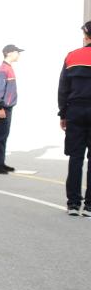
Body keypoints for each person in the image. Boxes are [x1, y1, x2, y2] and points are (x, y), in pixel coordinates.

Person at [58, 22, 91, 215]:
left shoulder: (72, 56)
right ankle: (89, 206)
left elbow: (63, 88)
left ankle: (73, 204)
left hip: (75, 111)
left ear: (86, 36)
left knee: (76, 157)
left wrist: (63, 113)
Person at [0, 44, 23, 174]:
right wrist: (0, 107)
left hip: (6, 107)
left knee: (3, 135)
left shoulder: (8, 68)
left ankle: (0, 162)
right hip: (2, 108)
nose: (19, 54)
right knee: (0, 136)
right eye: (17, 52)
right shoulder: (3, 70)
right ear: (9, 53)